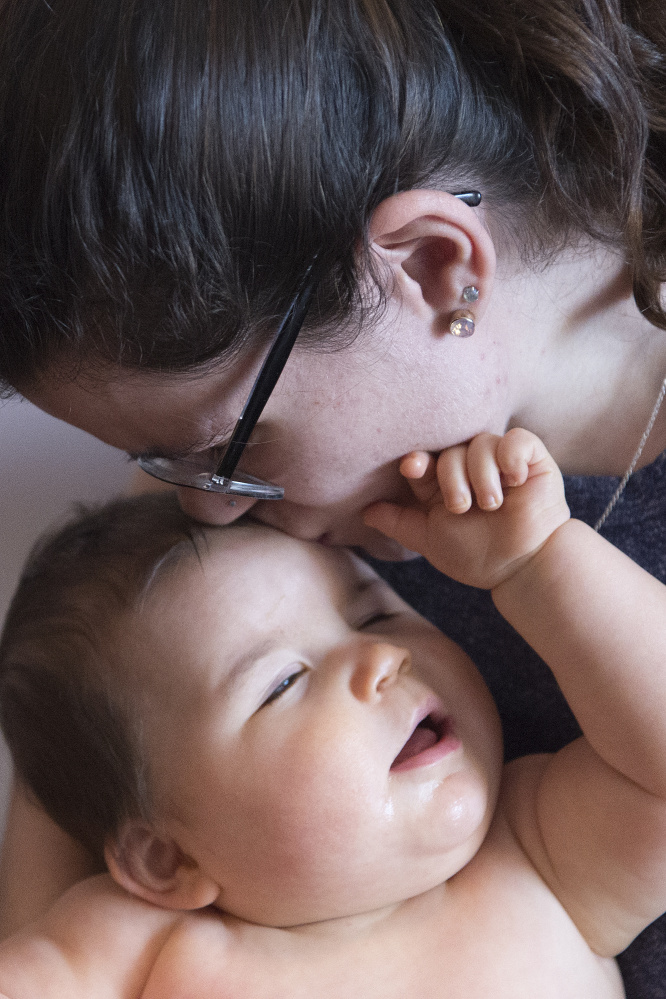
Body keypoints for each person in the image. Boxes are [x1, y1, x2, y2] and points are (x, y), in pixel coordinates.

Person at [1, 1, 666, 994]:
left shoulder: (536, 853)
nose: (208, 511)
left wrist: (540, 571)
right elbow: (100, 742)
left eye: (225, 454)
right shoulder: (268, 526)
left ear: (437, 268)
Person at [1, 428, 666, 997]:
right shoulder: (132, 943)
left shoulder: (538, 855)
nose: (380, 657)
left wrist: (537, 562)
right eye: (283, 682)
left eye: (375, 614)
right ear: (165, 858)